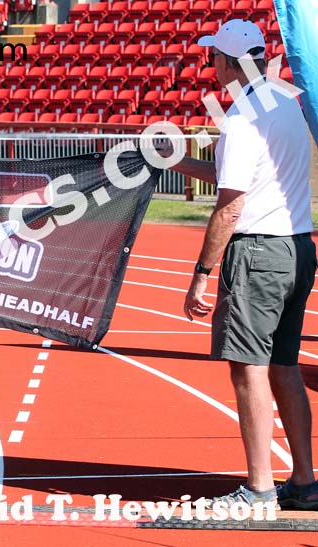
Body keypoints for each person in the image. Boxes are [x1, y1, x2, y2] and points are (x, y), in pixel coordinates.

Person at [161, 19, 318, 509]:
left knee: (248, 369)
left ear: (228, 62)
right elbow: (242, 175)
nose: (211, 66)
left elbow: (230, 203)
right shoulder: (285, 103)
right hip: (297, 244)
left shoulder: (245, 113)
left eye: (214, 58)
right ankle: (305, 482)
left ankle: (259, 488)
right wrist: (181, 163)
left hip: (258, 252)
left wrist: (201, 276)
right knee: (285, 367)